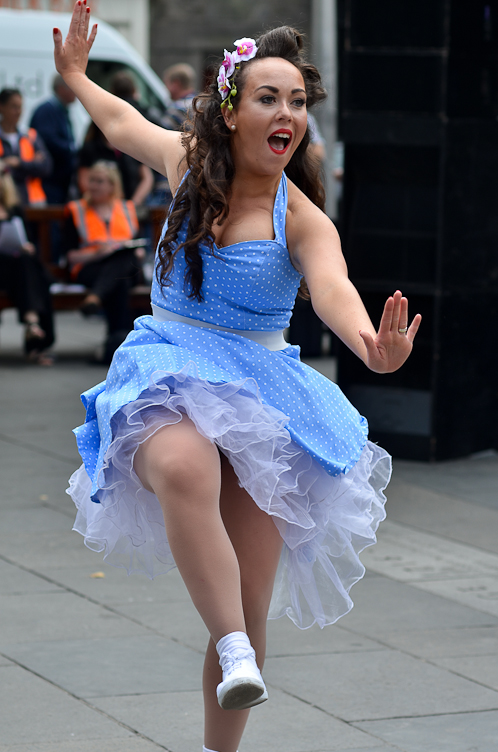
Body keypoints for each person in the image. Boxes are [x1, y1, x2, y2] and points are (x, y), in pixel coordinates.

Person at [54, 4, 421, 752]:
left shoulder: (304, 220)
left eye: (295, 102)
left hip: (259, 391)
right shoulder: (188, 161)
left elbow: (334, 289)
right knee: (184, 461)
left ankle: (225, 713)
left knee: (249, 611)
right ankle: (232, 649)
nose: (286, 113)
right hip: (166, 361)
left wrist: (367, 344)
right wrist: (75, 78)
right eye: (267, 97)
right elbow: (122, 124)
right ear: (231, 110)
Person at [64, 160, 143, 357]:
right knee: (120, 281)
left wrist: (138, 252)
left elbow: (137, 245)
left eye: (99, 181)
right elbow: (70, 256)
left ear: (112, 185)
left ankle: (96, 298)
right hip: (90, 268)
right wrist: (96, 253)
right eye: (91, 180)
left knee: (125, 258)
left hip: (124, 266)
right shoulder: (76, 209)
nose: (93, 186)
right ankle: (116, 348)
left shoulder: (127, 208)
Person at [0, 164, 54, 364]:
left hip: (15, 271)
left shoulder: (14, 209)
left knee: (27, 262)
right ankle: (33, 327)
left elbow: (26, 239)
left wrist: (27, 246)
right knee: (32, 273)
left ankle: (34, 329)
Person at [78, 120, 153, 206]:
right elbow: (84, 181)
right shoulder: (91, 148)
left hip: (130, 205)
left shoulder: (133, 147)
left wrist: (134, 203)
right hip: (100, 207)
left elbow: (147, 178)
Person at [29, 74, 77, 205]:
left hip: (59, 180)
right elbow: (47, 140)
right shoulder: (47, 110)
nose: (77, 93)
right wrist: (71, 149)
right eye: (73, 88)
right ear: (61, 88)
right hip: (50, 180)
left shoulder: (60, 110)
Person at [0, 88, 52, 206]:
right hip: (4, 203)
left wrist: (18, 163)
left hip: (32, 203)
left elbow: (46, 167)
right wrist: (31, 164)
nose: (18, 111)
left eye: (20, 107)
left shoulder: (30, 136)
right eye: (14, 107)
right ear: (1, 107)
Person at [162, 62, 197, 130]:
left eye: (166, 83)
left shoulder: (177, 110)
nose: (165, 88)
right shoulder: (201, 103)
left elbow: (161, 132)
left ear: (176, 83)